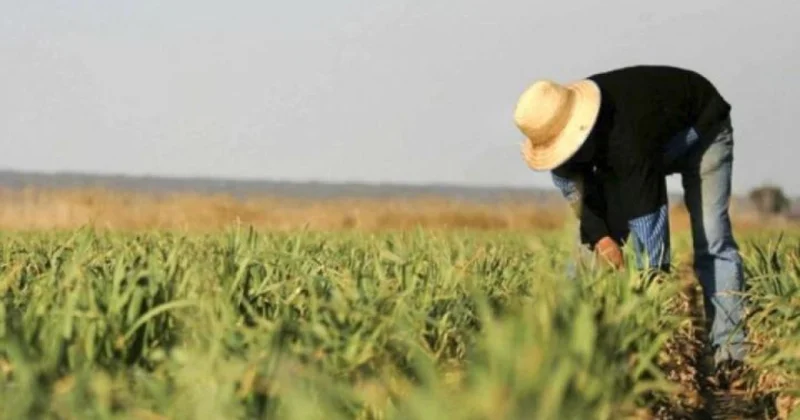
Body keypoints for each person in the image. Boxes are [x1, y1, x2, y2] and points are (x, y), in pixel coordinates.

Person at [513, 65, 747, 388]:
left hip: (700, 130)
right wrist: (605, 243)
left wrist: (644, 314)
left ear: (579, 131)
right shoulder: (563, 157)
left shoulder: (626, 141)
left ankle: (729, 356)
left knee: (712, 237)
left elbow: (652, 250)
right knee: (585, 255)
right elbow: (585, 208)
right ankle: (571, 353)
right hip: (646, 145)